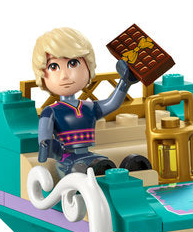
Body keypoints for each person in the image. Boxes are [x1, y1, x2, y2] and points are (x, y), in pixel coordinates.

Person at [33, 27, 135, 177]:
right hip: (66, 160)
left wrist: (125, 83)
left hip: (89, 156)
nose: (65, 76)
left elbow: (112, 103)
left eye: (73, 63)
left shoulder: (89, 107)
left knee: (106, 166)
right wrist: (48, 146)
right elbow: (44, 138)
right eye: (53, 67)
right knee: (80, 172)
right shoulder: (51, 111)